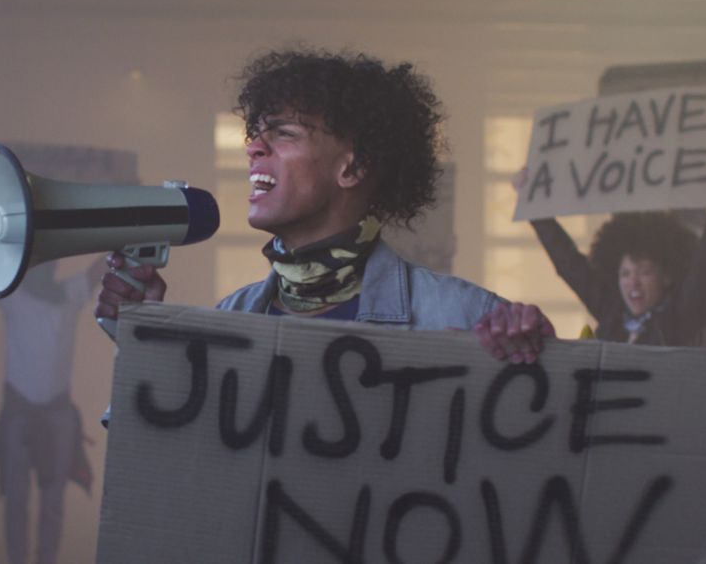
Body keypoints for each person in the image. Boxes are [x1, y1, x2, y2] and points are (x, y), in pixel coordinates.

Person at [96, 48, 554, 371]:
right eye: (255, 132)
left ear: (352, 167)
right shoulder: (227, 321)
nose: (253, 147)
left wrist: (538, 357)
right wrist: (144, 343)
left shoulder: (467, 317)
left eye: (283, 133)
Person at [513, 165, 706, 346]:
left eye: (645, 272)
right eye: (625, 273)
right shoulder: (611, 311)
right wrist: (532, 204)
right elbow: (569, 263)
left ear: (666, 276)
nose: (633, 282)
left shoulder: (683, 317)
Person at [0, 259, 101, 564]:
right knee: (16, 499)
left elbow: (98, 271)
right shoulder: (12, 296)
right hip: (19, 413)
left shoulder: (69, 294)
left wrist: (122, 230)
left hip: (58, 413)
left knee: (52, 501)